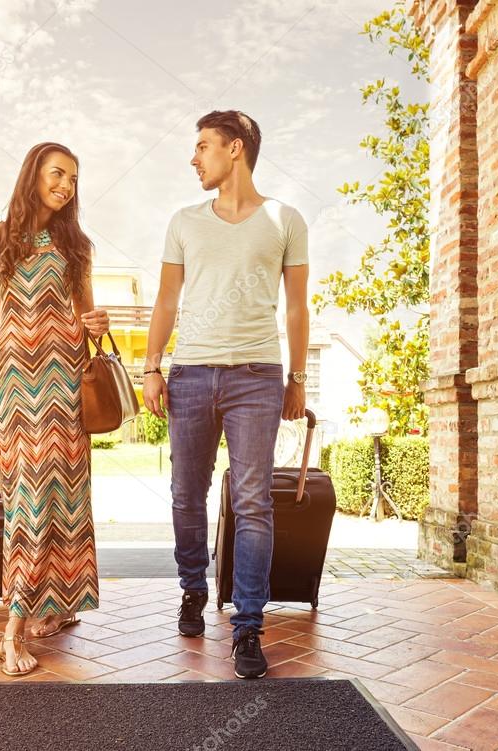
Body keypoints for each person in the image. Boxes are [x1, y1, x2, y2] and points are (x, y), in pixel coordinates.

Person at [143, 111, 309, 679]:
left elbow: (296, 307)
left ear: (234, 149)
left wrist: (298, 378)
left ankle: (248, 627)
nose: (194, 158)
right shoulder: (183, 221)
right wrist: (151, 368)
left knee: (253, 500)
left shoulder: (284, 219)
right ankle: (193, 590)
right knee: (187, 495)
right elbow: (166, 301)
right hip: (190, 373)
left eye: (203, 147)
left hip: (257, 377)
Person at [0, 142, 109, 676]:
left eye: (73, 178)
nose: (66, 185)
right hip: (17, 386)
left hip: (66, 383)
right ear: (33, 175)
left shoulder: (78, 245)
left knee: (64, 494)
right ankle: (13, 628)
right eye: (57, 174)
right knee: (28, 498)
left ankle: (59, 606)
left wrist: (98, 324)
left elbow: (90, 317)